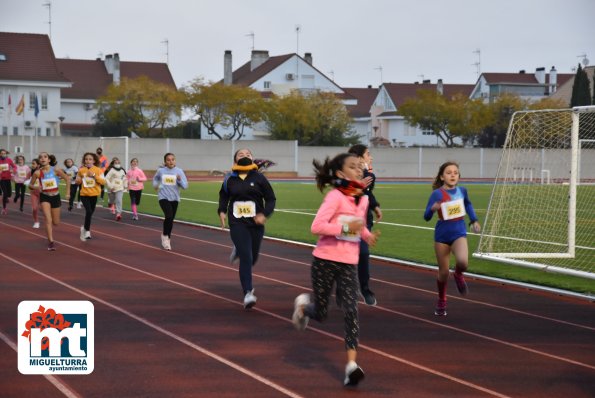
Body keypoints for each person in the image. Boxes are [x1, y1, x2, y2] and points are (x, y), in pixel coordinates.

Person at [292, 153, 379, 387]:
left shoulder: (363, 199)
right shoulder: (335, 197)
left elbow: (359, 227)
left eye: (361, 166)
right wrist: (344, 228)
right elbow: (316, 226)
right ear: (341, 174)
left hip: (349, 263)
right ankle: (302, 309)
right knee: (321, 313)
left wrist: (368, 236)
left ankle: (351, 367)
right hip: (325, 260)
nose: (359, 169)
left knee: (351, 310)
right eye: (353, 166)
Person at [218, 148, 276, 309]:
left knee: (253, 258)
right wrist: (221, 210)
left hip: (256, 223)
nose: (245, 156)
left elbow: (271, 199)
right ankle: (248, 293)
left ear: (252, 158)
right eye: (241, 154)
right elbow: (224, 195)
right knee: (246, 257)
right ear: (235, 160)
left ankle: (238, 249)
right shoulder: (229, 178)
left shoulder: (259, 178)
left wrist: (265, 214)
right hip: (237, 222)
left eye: (248, 154)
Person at [424, 161, 480, 316]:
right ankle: (442, 299)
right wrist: (433, 209)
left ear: (459, 176)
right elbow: (426, 216)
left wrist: (474, 220)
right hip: (442, 235)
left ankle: (458, 274)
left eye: (455, 172)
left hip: (459, 232)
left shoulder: (463, 191)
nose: (453, 175)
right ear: (442, 177)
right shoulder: (437, 194)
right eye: (449, 172)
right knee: (443, 272)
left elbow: (468, 205)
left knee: (463, 262)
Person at [347, 144, 382, 306]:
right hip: (347, 219)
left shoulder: (367, 175)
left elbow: (368, 190)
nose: (371, 157)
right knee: (345, 256)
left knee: (363, 253)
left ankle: (365, 289)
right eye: (368, 154)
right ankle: (343, 290)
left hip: (364, 220)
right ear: (359, 157)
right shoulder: (345, 173)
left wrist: (374, 206)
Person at [28, 152, 70, 250]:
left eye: (45, 157)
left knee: (56, 222)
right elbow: (30, 185)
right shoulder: (37, 173)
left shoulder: (55, 170)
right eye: (40, 157)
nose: (42, 158)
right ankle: (51, 242)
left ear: (49, 160)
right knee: (48, 219)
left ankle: (51, 236)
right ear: (39, 160)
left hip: (55, 196)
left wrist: (68, 193)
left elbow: (67, 179)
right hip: (44, 197)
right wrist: (36, 187)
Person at [152, 153, 188, 251]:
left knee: (171, 219)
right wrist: (156, 185)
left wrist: (179, 180)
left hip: (175, 198)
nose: (171, 161)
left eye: (172, 159)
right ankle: (164, 236)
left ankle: (168, 238)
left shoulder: (179, 171)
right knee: (168, 215)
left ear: (175, 161)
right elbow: (155, 179)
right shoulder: (161, 171)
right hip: (163, 197)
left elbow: (185, 186)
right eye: (168, 160)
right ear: (165, 162)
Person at [75, 152, 106, 241]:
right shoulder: (81, 170)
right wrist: (78, 181)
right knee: (88, 211)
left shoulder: (98, 170)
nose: (88, 161)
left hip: (94, 194)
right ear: (84, 161)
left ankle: (84, 227)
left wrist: (94, 175)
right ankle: (87, 231)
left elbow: (103, 182)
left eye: (90, 159)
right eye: (86, 159)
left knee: (90, 213)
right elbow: (78, 181)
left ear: (94, 161)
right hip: (84, 194)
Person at [0, 148, 17, 215]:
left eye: (4, 153)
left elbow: (15, 167)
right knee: (5, 193)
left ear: (6, 154)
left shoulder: (9, 160)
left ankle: (7, 197)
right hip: (1, 179)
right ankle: (4, 208)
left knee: (9, 194)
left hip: (8, 178)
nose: (3, 154)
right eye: (2, 153)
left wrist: (13, 170)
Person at [28, 158, 41, 228]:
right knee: (34, 208)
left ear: (38, 165)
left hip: (42, 193)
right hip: (33, 192)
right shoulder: (30, 172)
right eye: (32, 163)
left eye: (33, 163)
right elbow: (26, 179)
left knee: (42, 208)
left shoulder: (42, 172)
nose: (32, 165)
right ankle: (36, 221)